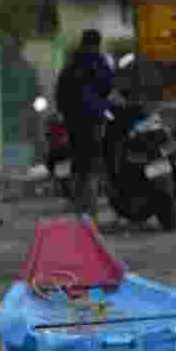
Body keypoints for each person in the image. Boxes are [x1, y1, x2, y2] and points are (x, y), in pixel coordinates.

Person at [56, 28, 115, 222]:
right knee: (92, 162)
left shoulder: (71, 64)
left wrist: (66, 114)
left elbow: (60, 92)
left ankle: (79, 209)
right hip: (94, 118)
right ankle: (90, 211)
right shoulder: (98, 62)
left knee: (78, 162)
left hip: (73, 120)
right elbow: (107, 85)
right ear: (97, 43)